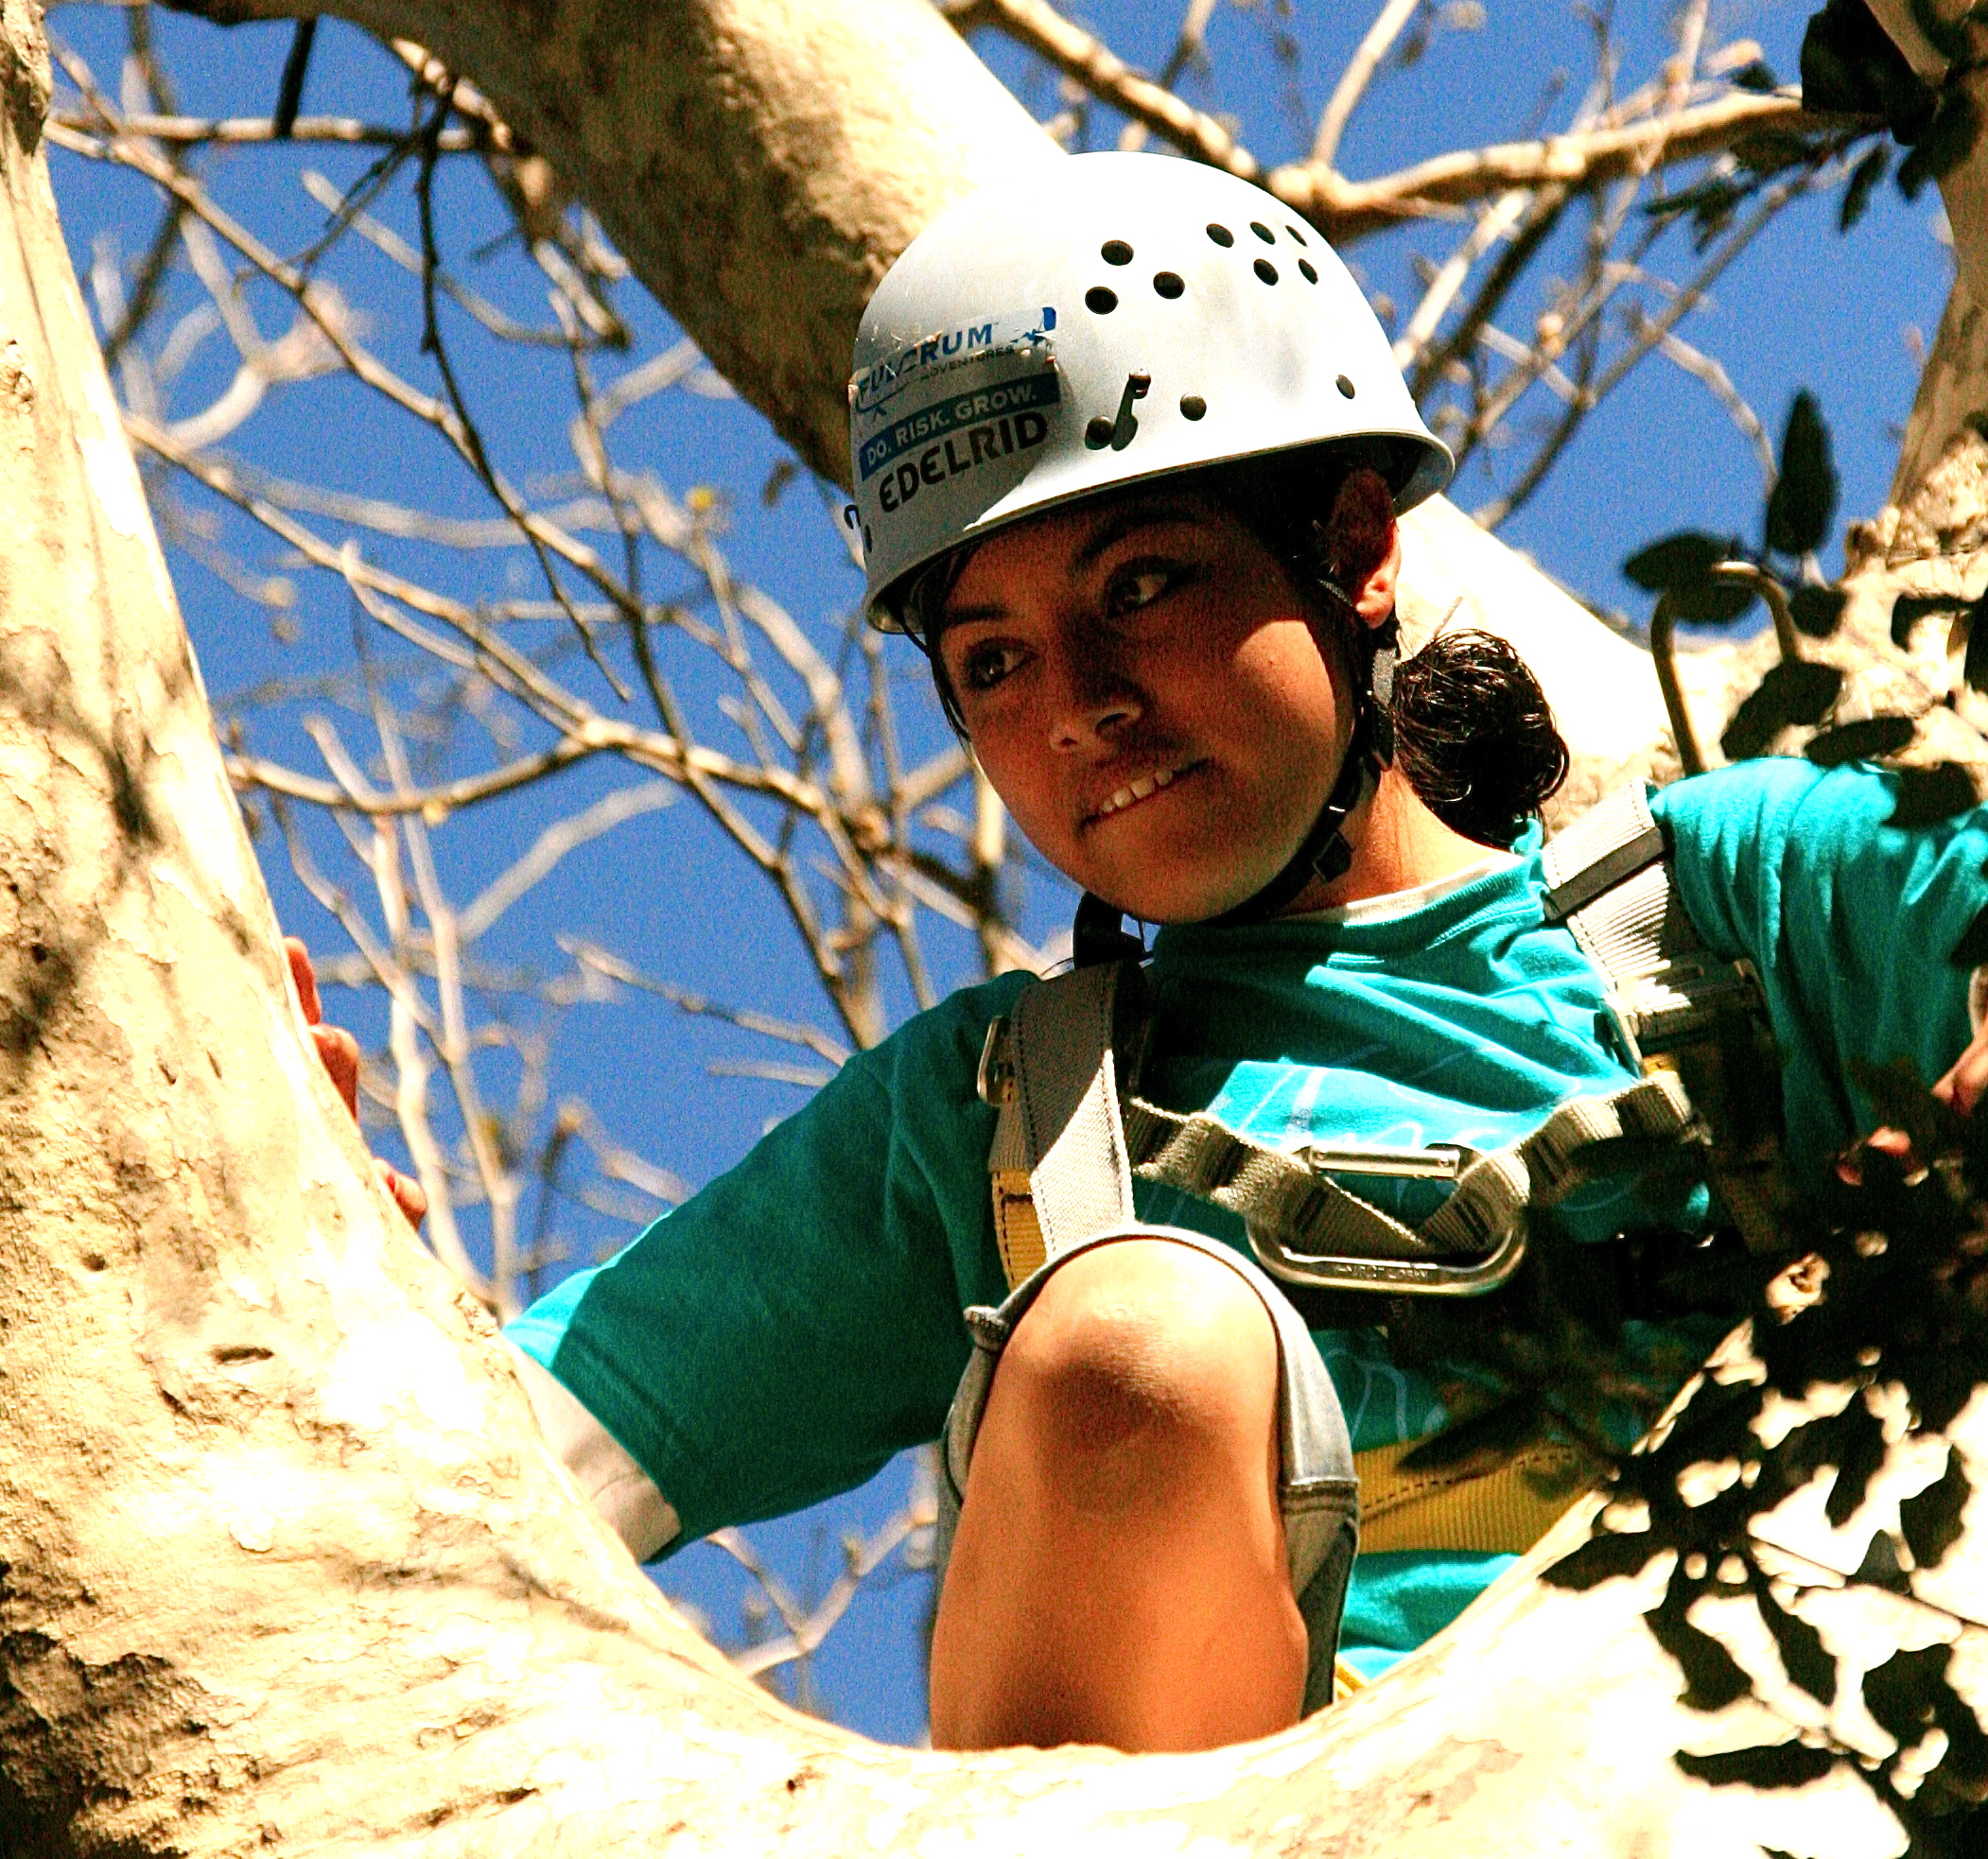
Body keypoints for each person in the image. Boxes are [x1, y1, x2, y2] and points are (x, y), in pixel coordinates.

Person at [306, 154, 1988, 1756]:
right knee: (1139, 1350)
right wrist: (326, 1288)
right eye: (989, 661)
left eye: (1145, 582)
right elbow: (498, 1479)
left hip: (1782, 1834)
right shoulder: (994, 1122)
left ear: (1353, 547)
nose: (1076, 706)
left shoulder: (1751, 908)